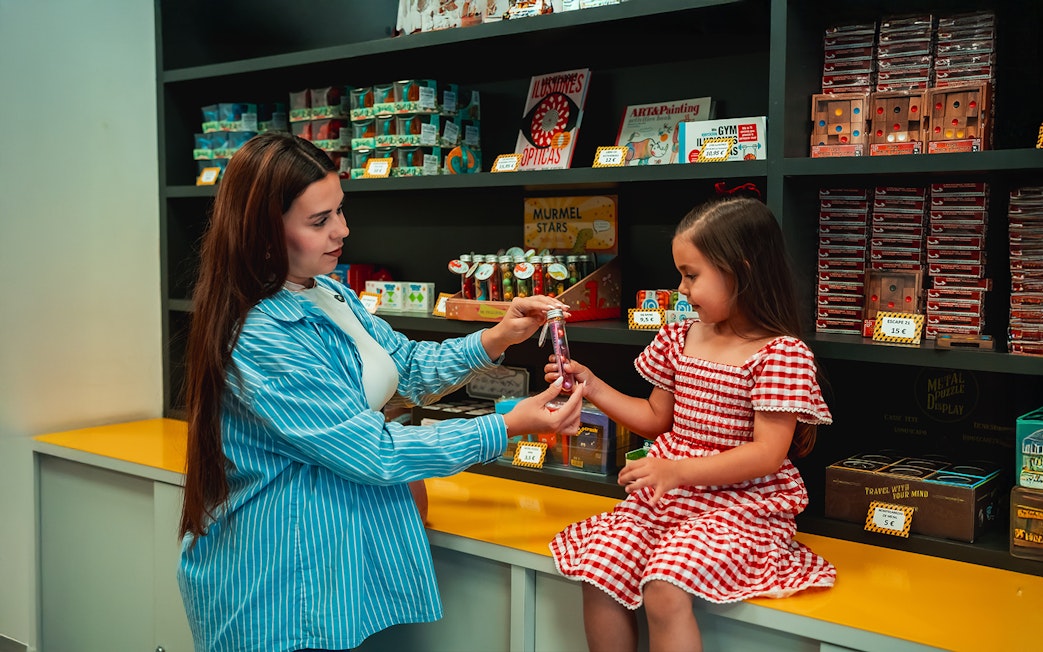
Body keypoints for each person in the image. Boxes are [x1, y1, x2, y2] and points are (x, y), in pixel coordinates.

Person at [177, 131, 585, 652]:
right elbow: (373, 453)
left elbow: (407, 367)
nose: (341, 231)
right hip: (279, 578)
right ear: (262, 232)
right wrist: (506, 425)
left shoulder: (327, 291)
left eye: (340, 211)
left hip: (333, 563)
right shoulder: (260, 334)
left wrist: (498, 336)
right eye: (319, 221)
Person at [547, 196, 835, 652]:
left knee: (664, 584)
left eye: (691, 274)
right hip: (672, 499)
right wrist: (593, 385)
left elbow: (767, 454)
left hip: (741, 508)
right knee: (600, 566)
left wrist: (676, 471)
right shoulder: (679, 336)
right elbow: (656, 419)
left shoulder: (780, 354)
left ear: (740, 271)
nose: (681, 288)